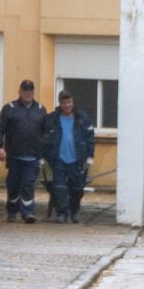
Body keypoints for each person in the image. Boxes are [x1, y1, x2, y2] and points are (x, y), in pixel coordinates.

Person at [0, 79, 47, 224]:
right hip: (15, 156)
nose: (28, 93)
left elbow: (47, 133)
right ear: (19, 91)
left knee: (28, 184)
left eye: (30, 90)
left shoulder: (40, 110)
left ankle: (28, 213)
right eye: (25, 90)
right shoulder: (9, 109)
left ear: (33, 92)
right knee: (13, 184)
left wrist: (43, 152)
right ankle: (12, 210)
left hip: (33, 157)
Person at [41, 91, 96, 223]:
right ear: (60, 103)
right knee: (59, 187)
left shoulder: (83, 118)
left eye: (69, 102)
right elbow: (44, 138)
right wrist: (43, 156)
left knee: (77, 188)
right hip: (58, 159)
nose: (67, 105)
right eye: (64, 103)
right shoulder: (52, 119)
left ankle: (75, 210)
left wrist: (90, 156)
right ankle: (62, 213)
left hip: (77, 159)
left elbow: (90, 138)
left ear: (73, 102)